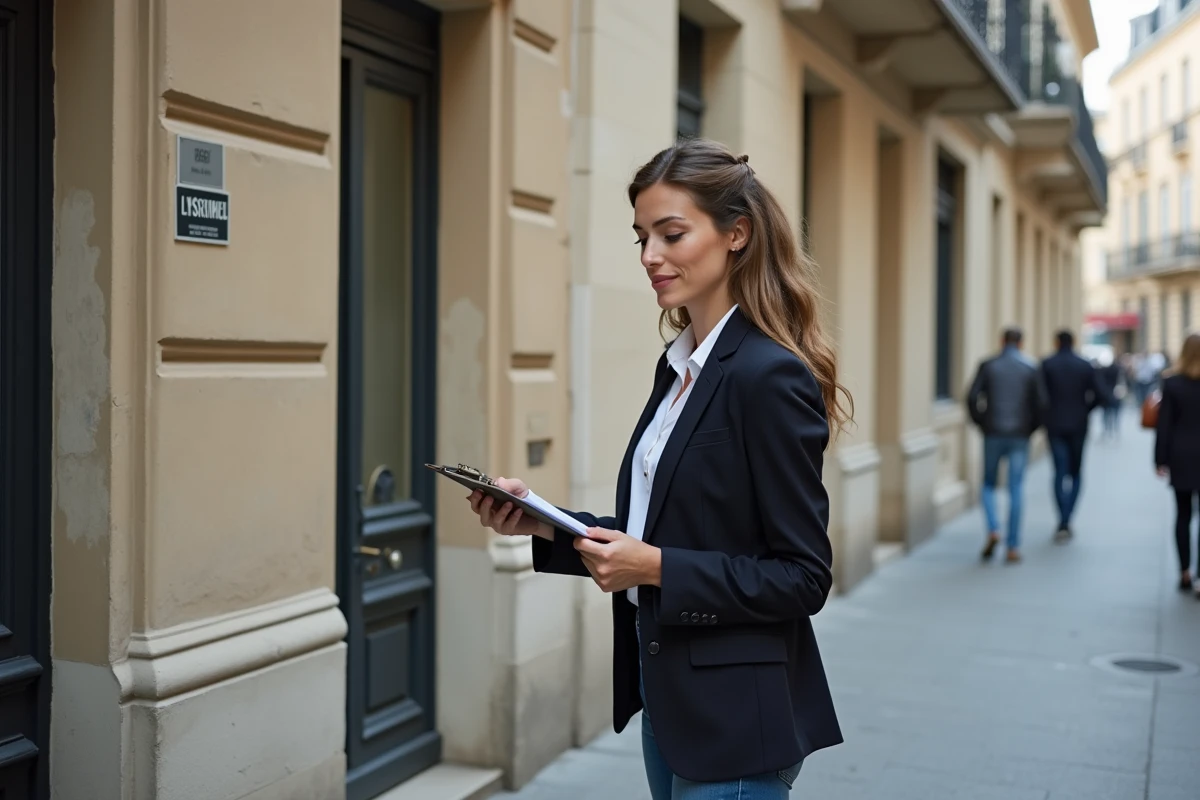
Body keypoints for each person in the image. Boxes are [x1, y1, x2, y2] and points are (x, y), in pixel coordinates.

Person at [465, 139, 851, 798]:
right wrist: (543, 524)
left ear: (737, 234)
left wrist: (658, 569)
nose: (650, 256)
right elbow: (664, 527)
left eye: (671, 234)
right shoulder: (679, 368)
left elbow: (802, 576)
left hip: (734, 720)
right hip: (669, 702)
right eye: (642, 236)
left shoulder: (767, 375)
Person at [966, 327, 1044, 563]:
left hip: (993, 433)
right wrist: (1030, 428)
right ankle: (1012, 546)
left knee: (988, 484)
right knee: (1016, 487)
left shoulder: (989, 365)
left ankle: (993, 529)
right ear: (1021, 343)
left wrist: (982, 423)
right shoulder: (1030, 367)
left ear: (1002, 341)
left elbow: (971, 397)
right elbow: (1042, 403)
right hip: (1019, 435)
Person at [1039, 330, 1107, 542]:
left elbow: (1039, 396)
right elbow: (1101, 394)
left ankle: (1062, 518)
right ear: (1074, 341)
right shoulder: (1084, 365)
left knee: (1059, 472)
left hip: (1055, 425)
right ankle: (1067, 519)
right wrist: (1085, 409)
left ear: (1056, 342)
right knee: (1075, 472)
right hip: (1078, 424)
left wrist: (1045, 415)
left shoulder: (1047, 364)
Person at [1154, 332, 1200, 595]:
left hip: (1181, 455)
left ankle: (1184, 572)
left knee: (1183, 515)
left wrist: (1159, 459)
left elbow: (1164, 426)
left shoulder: (1172, 383)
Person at [1097, 356, 1124, 439]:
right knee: (1115, 413)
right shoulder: (1118, 369)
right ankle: (1114, 430)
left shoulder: (1101, 371)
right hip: (1115, 394)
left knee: (1106, 413)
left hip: (1107, 394)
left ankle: (1107, 430)